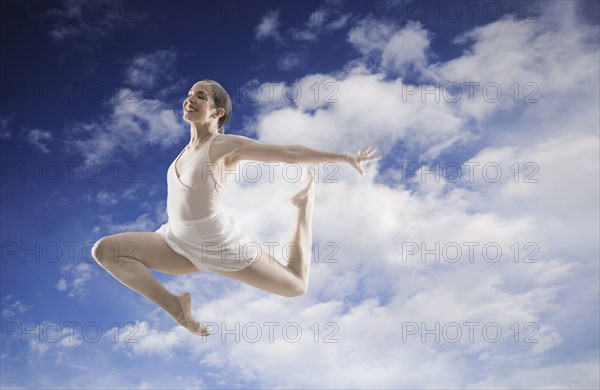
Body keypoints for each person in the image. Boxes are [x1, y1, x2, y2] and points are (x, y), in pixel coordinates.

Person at [91, 79, 381, 336]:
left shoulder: (223, 146)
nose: (190, 98)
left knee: (295, 285)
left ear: (218, 113)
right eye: (190, 93)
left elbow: (289, 153)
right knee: (107, 250)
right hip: (177, 242)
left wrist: (343, 157)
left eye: (201, 96)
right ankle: (176, 308)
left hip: (217, 244)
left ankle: (305, 204)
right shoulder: (182, 153)